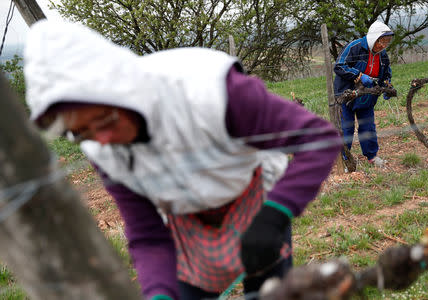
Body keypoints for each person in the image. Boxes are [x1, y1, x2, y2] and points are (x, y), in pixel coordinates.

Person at [24, 20, 341, 300]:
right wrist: (159, 294)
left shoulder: (211, 91)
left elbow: (318, 139)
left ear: (122, 91)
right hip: (186, 224)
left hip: (256, 202)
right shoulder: (100, 148)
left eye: (105, 120)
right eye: (81, 133)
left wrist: (274, 215)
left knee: (271, 291)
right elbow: (147, 233)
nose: (102, 140)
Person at [334, 20, 394, 167]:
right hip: (347, 95)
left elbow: (386, 73)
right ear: (373, 38)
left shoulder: (382, 55)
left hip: (367, 95)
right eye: (381, 42)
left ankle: (372, 156)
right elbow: (339, 65)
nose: (383, 45)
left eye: (386, 42)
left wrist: (387, 86)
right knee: (346, 128)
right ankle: (344, 159)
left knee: (368, 127)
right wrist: (359, 75)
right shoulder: (355, 47)